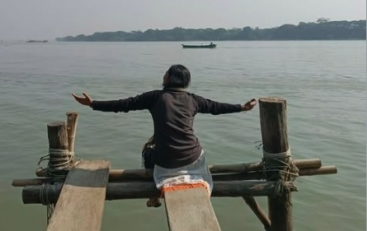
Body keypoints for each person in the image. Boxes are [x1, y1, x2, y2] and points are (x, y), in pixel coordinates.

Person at [72, 64, 257, 207]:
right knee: (193, 146)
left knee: (147, 150)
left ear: (169, 78)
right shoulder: (194, 100)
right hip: (193, 157)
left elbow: (124, 104)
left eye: (165, 73)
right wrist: (242, 107)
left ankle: (153, 193)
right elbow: (217, 107)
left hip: (166, 160)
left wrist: (93, 103)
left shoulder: (155, 97)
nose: (163, 76)